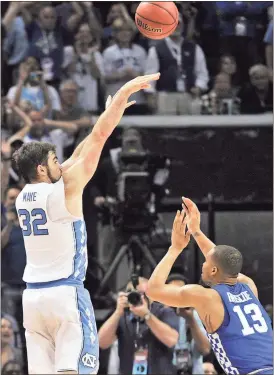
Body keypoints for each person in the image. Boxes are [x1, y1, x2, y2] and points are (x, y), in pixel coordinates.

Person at [14, 72, 160, 375]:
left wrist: (101, 120)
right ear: (42, 168)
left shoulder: (24, 195)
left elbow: (81, 150)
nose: (61, 162)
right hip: (65, 295)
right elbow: (98, 140)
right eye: (55, 160)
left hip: (33, 300)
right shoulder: (65, 188)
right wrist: (119, 101)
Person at [147, 197, 273, 375]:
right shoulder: (249, 286)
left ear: (213, 270)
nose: (202, 265)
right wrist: (196, 232)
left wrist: (175, 248)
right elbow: (223, 261)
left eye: (206, 263)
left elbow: (153, 291)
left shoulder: (205, 296)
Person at [98, 277, 179, 374]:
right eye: (134, 294)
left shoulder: (163, 312)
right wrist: (117, 312)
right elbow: (101, 343)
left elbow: (172, 340)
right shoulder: (122, 315)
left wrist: (147, 316)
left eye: (142, 294)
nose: (138, 298)